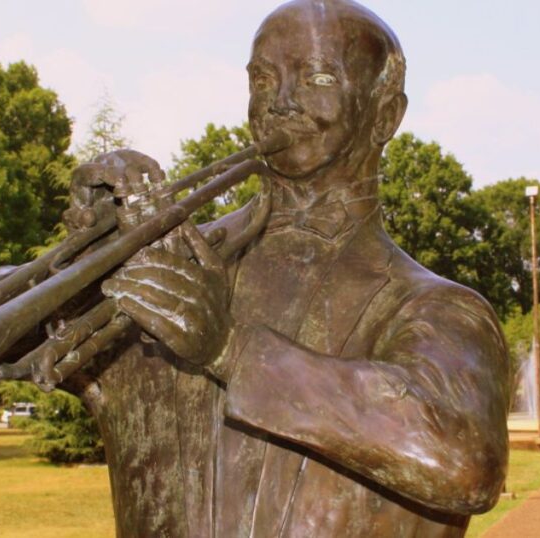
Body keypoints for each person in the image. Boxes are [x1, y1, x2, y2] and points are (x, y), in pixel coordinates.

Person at [80, 1, 510, 536]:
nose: (281, 102)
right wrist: (87, 254)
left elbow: (466, 464)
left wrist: (231, 351)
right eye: (264, 78)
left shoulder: (440, 309)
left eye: (318, 77)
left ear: (385, 115)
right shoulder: (175, 266)